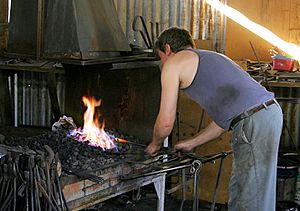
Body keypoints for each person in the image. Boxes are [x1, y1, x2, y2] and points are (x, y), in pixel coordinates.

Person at [145, 27, 283, 210]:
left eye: (160, 56)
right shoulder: (211, 57)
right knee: (241, 191)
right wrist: (192, 143)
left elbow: (165, 122)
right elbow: (223, 121)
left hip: (255, 121)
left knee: (252, 200)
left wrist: (154, 145)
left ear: (168, 49)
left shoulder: (174, 63)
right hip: (264, 115)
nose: (162, 63)